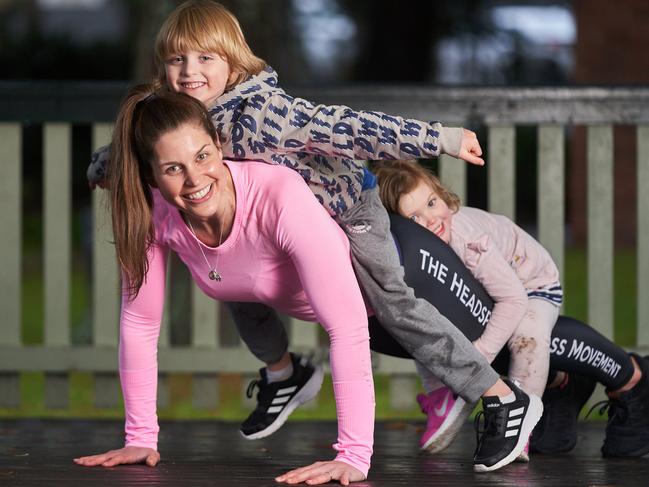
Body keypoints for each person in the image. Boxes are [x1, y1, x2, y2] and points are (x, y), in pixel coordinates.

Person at [86, 1, 542, 471]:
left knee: (394, 305)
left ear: (234, 60)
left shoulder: (267, 114)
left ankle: (500, 396)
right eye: (177, 60)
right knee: (231, 280)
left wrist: (437, 138)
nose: (189, 72)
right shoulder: (177, 115)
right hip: (272, 230)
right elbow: (138, 144)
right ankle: (285, 375)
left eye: (205, 58)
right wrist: (103, 167)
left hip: (348, 210)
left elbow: (349, 128)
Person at [372, 159, 649, 460]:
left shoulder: (469, 241)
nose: (431, 219)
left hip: (530, 285)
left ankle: (517, 425)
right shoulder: (419, 255)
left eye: (432, 202)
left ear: (440, 193)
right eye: (414, 218)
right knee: (433, 321)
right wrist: (442, 386)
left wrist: (478, 360)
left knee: (525, 340)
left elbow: (514, 299)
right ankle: (562, 386)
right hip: (493, 291)